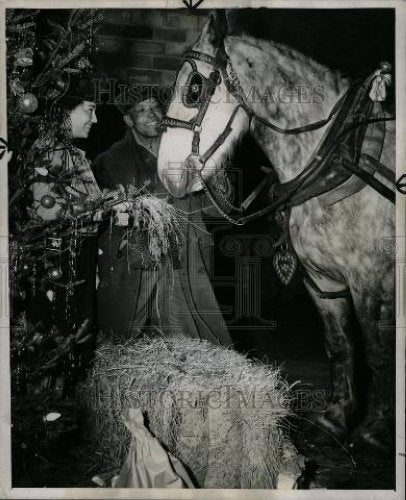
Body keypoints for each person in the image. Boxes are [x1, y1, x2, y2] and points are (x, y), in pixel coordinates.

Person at [93, 87, 232, 346]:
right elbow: (112, 217)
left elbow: (215, 207)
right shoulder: (112, 160)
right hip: (142, 256)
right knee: (131, 326)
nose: (153, 115)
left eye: (156, 107)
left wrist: (215, 174)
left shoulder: (184, 151)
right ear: (128, 120)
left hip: (189, 249)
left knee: (191, 322)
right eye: (142, 110)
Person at [30, 76, 101, 340]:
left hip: (81, 250)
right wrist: (96, 206)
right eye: (90, 110)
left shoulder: (74, 153)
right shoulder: (49, 152)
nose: (94, 120)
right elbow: (47, 211)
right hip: (62, 252)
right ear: (64, 111)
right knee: (65, 324)